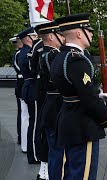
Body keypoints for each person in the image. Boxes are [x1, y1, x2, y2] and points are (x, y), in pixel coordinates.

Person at [51, 13, 107, 179]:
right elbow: (88, 101)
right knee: (83, 174)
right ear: (79, 33)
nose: (91, 34)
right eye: (88, 30)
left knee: (71, 171)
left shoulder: (60, 56)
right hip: (82, 125)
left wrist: (96, 95)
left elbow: (76, 91)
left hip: (69, 119)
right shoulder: (77, 60)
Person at [34, 21, 65, 180]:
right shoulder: (52, 55)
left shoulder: (44, 53)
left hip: (50, 101)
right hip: (57, 103)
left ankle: (47, 172)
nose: (63, 37)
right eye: (60, 34)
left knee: (53, 145)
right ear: (52, 36)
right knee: (57, 148)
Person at [17, 27, 41, 164]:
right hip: (31, 88)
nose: (37, 39)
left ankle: (34, 153)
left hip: (30, 87)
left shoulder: (25, 52)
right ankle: (34, 155)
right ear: (28, 38)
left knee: (34, 121)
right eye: (35, 36)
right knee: (34, 122)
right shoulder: (26, 53)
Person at [10, 35, 24, 145]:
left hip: (21, 85)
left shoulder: (18, 54)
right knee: (23, 113)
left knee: (22, 113)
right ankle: (21, 137)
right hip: (22, 85)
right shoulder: (18, 54)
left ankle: (21, 137)